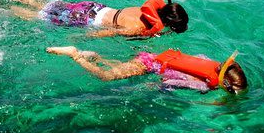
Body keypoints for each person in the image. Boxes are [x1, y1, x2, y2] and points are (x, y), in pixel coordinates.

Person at [0, 0, 188, 37]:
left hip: (92, 6)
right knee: (40, 16)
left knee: (48, 4)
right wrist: (83, 38)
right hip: (86, 20)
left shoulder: (143, 9)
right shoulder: (139, 27)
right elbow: (107, 33)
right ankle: (0, 7)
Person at [46, 46, 247, 94]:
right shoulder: (203, 85)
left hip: (150, 57)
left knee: (119, 70)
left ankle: (95, 56)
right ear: (226, 83)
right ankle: (74, 54)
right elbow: (170, 82)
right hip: (150, 66)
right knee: (105, 77)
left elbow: (195, 59)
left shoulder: (208, 63)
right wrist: (158, 89)